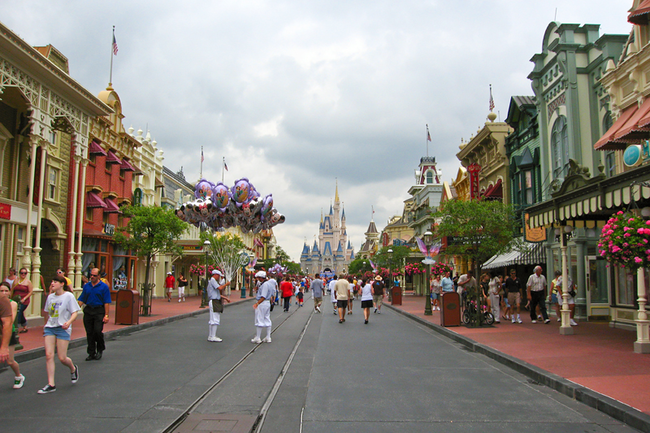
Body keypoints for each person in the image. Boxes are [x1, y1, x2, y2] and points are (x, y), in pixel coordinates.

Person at [38, 275, 80, 393]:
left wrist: (69, 322)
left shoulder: (68, 296)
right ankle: (51, 384)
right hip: (50, 327)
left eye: (55, 281)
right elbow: (48, 312)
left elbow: (75, 312)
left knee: (62, 358)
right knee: (49, 355)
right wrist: (46, 324)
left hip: (63, 328)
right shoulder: (50, 297)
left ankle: (72, 368)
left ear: (62, 284)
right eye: (52, 281)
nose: (52, 283)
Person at [77, 268, 112, 361]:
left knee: (97, 331)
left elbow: (106, 302)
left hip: (99, 310)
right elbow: (82, 298)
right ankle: (91, 352)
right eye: (91, 275)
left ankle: (100, 349)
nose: (92, 277)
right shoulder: (87, 286)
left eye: (94, 275)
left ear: (99, 276)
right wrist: (75, 309)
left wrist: (106, 315)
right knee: (89, 332)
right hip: (88, 310)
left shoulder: (104, 287)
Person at [0, 281, 24, 389]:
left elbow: (10, 320)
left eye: (6, 291)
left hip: (8, 333)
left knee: (9, 360)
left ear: (10, 292)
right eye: (1, 291)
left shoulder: (12, 303)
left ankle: (18, 376)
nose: (4, 293)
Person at [207, 270, 231, 342]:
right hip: (214, 301)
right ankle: (213, 336)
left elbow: (216, 293)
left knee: (212, 319)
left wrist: (225, 298)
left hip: (214, 300)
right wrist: (227, 284)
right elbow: (220, 288)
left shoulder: (211, 281)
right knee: (215, 319)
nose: (219, 277)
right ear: (215, 275)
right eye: (218, 276)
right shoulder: (213, 280)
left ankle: (211, 335)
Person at [252, 271, 274, 343]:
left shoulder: (264, 285)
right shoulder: (269, 283)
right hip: (267, 303)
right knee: (267, 318)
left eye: (258, 278)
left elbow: (263, 296)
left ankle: (258, 337)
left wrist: (257, 303)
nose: (258, 279)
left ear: (261, 278)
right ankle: (268, 337)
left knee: (259, 319)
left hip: (262, 303)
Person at [11, 268, 34, 334]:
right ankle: (24, 325)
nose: (23, 274)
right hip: (15, 299)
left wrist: (24, 298)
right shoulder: (16, 281)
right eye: (22, 273)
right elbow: (12, 290)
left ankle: (16, 327)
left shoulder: (28, 282)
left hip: (24, 300)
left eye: (25, 273)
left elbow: (30, 291)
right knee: (19, 313)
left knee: (19, 311)